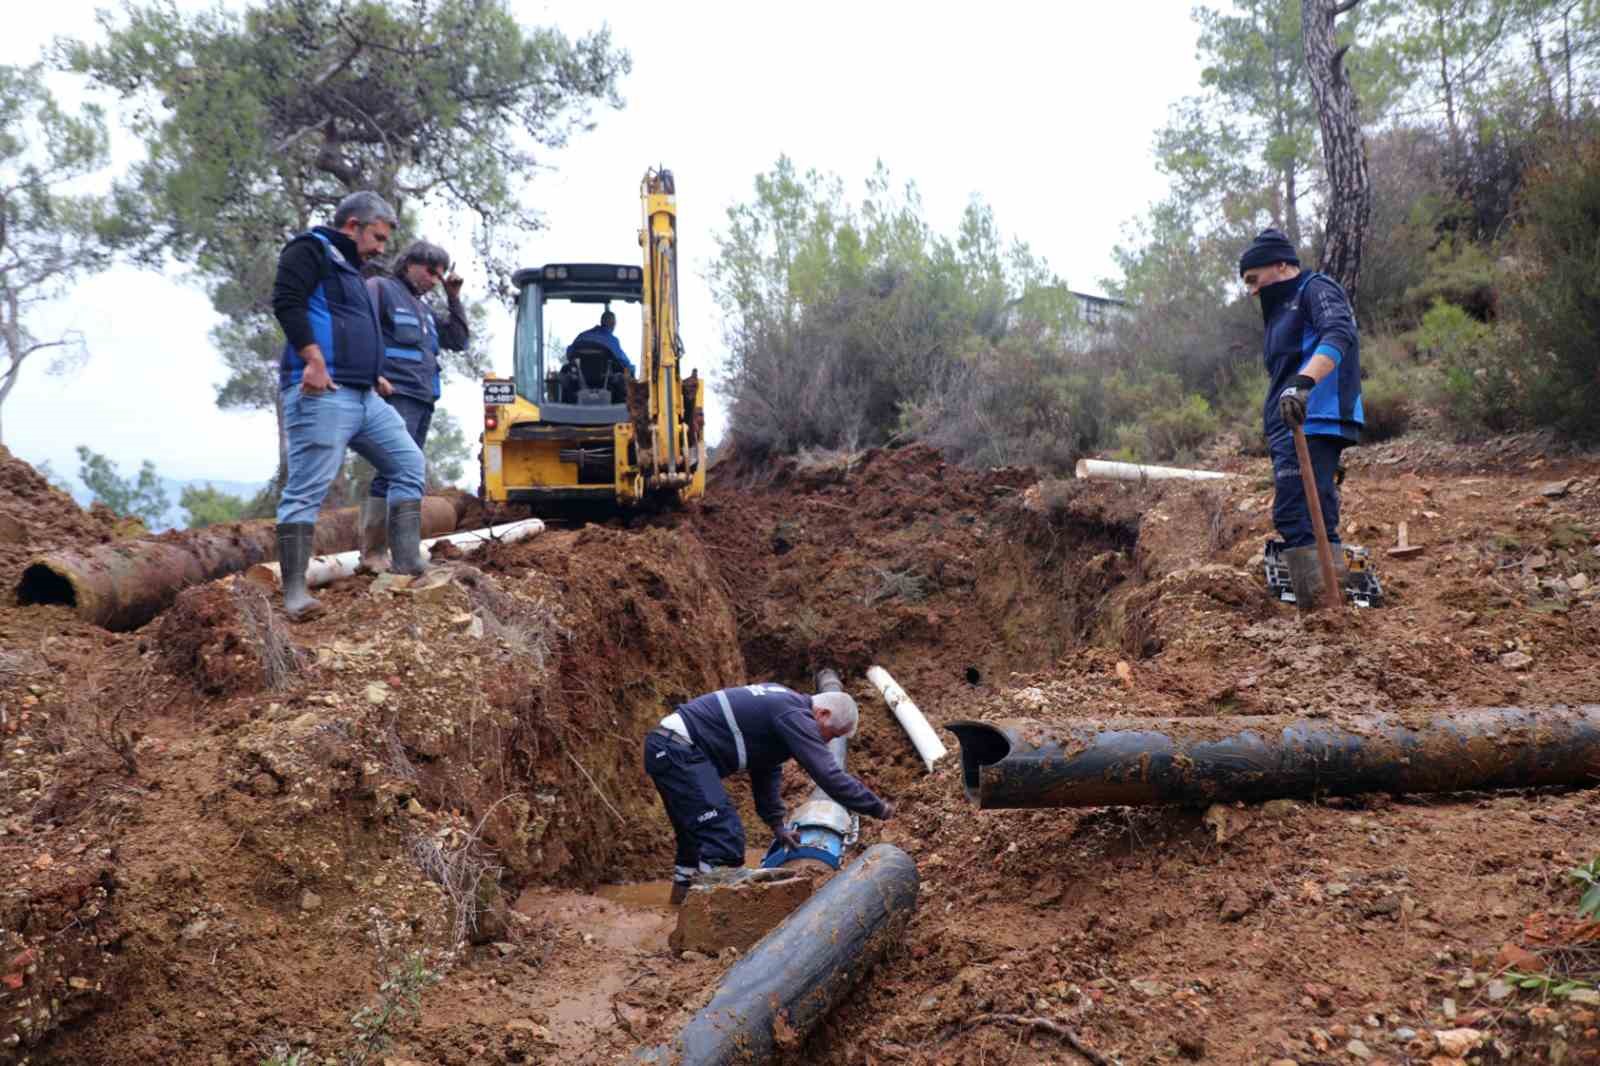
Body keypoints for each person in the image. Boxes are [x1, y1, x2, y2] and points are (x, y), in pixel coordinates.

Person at [271, 190, 427, 621]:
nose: (381, 247)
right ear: (352, 225)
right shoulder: (310, 250)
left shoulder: (355, 272)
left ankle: (408, 561)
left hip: (364, 395)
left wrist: (372, 369)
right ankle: (295, 592)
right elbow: (286, 303)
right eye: (376, 237)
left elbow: (349, 325)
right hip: (324, 392)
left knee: (409, 465)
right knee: (307, 488)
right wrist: (313, 359)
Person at [644, 682, 894, 904]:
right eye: (831, 734)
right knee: (724, 837)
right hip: (680, 750)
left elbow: (765, 772)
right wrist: (880, 809)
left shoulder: (782, 707)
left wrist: (777, 825)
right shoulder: (794, 713)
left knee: (695, 840)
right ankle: (711, 925)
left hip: (668, 748)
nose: (827, 743)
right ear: (822, 713)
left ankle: (677, 909)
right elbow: (829, 776)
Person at [1239, 227, 1364, 599]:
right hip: (1290, 422)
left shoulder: (1315, 288)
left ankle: (1320, 613)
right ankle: (1337, 600)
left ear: (1281, 265)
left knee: (1295, 514)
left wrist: (1303, 383)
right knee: (1316, 514)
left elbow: (1339, 333)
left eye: (1253, 278)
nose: (1252, 290)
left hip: (1314, 417)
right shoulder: (1278, 313)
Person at [358, 240, 470, 572]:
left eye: (439, 275)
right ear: (409, 264)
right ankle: (375, 554)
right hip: (395, 395)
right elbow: (359, 330)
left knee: (405, 471)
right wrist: (371, 375)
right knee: (395, 468)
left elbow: (459, 340)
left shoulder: (423, 311)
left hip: (423, 398)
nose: (434, 280)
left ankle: (398, 555)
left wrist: (453, 297)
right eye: (430, 272)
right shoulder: (381, 290)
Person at [569, 308, 635, 375]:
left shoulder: (582, 336)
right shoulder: (612, 340)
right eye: (614, 323)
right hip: (604, 381)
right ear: (613, 324)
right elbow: (622, 361)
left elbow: (570, 353)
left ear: (601, 322)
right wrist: (632, 369)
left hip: (579, 378)